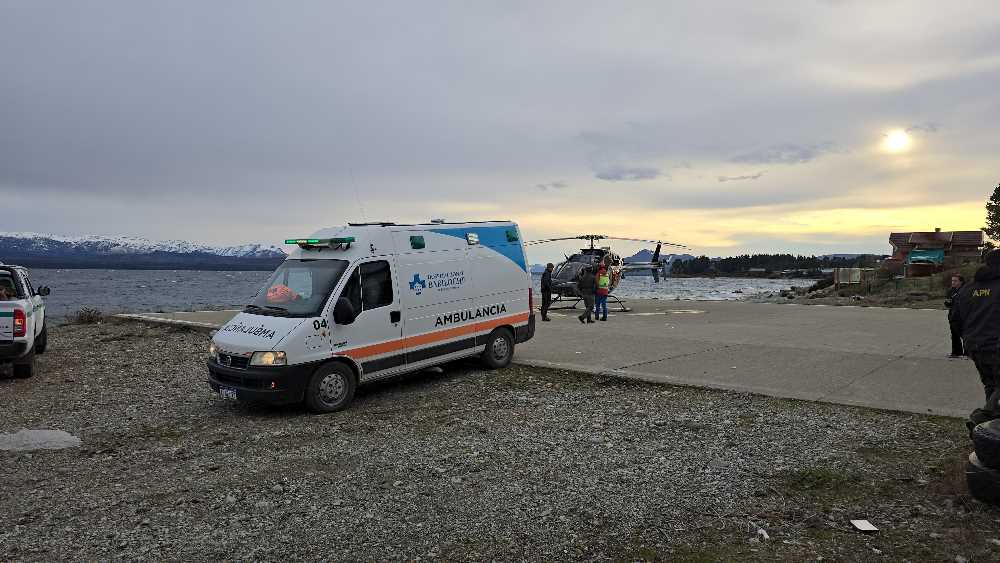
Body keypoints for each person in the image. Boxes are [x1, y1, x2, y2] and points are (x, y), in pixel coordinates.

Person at [953, 250, 1000, 417]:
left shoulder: (968, 288)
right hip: (995, 346)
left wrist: (967, 337)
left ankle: (991, 427)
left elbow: (955, 318)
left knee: (991, 385)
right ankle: (983, 418)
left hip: (974, 346)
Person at [946, 274, 966, 358]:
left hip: (962, 316)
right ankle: (956, 352)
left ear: (961, 282)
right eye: (952, 280)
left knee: (965, 335)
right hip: (953, 316)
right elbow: (949, 302)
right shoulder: (951, 291)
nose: (953, 282)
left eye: (955, 281)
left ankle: (968, 353)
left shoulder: (965, 291)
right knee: (954, 335)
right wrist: (947, 303)